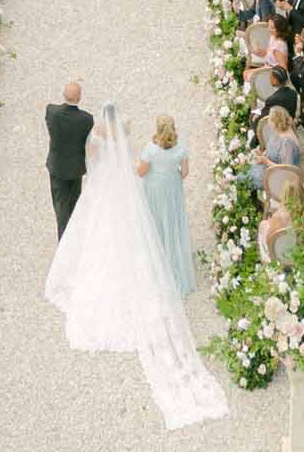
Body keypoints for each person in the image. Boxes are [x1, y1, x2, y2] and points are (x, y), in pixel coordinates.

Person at [44, 102, 228, 429]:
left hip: (102, 186)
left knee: (96, 229)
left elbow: (94, 160)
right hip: (124, 187)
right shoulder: (127, 133)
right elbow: (140, 165)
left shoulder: (97, 134)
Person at [136, 114, 197, 297]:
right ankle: (174, 258)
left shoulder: (150, 150)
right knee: (172, 222)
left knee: (156, 222)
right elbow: (184, 173)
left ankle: (157, 259)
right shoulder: (181, 149)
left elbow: (141, 172)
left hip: (155, 190)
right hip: (172, 191)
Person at [45, 79, 94, 240]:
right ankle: (73, 238)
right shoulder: (86, 119)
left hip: (57, 167)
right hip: (75, 169)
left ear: (63, 94)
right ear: (79, 98)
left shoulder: (51, 112)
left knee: (60, 207)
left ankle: (63, 240)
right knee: (74, 206)